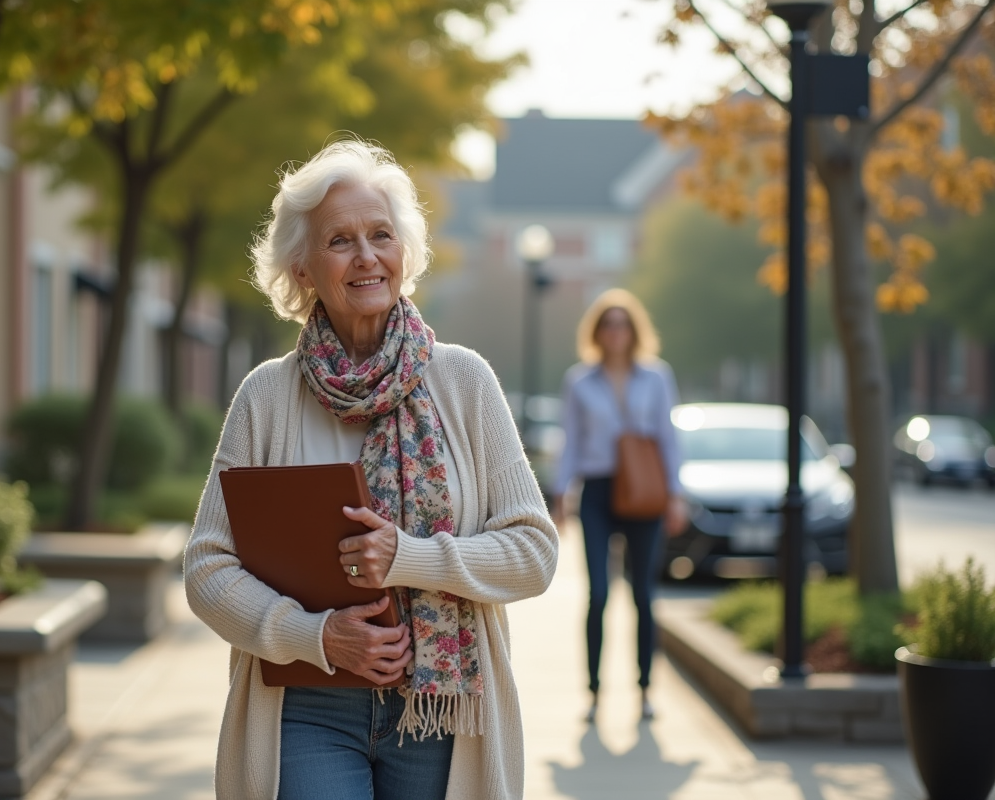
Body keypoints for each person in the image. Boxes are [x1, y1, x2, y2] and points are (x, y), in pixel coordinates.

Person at [184, 140, 558, 800]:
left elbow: (534, 552)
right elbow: (207, 568)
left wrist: (406, 557)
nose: (366, 256)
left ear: (404, 255)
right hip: (306, 706)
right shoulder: (266, 397)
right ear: (302, 269)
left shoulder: (464, 382)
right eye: (340, 240)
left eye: (380, 235)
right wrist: (316, 635)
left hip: (440, 716)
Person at [552, 288, 685, 723]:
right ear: (597, 331)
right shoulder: (579, 381)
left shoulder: (657, 377)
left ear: (633, 330)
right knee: (600, 594)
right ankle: (593, 693)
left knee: (645, 596)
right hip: (597, 491)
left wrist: (676, 495)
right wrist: (559, 496)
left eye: (622, 323)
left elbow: (668, 438)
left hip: (646, 489)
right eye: (607, 323)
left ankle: (645, 690)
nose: (615, 331)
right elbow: (570, 441)